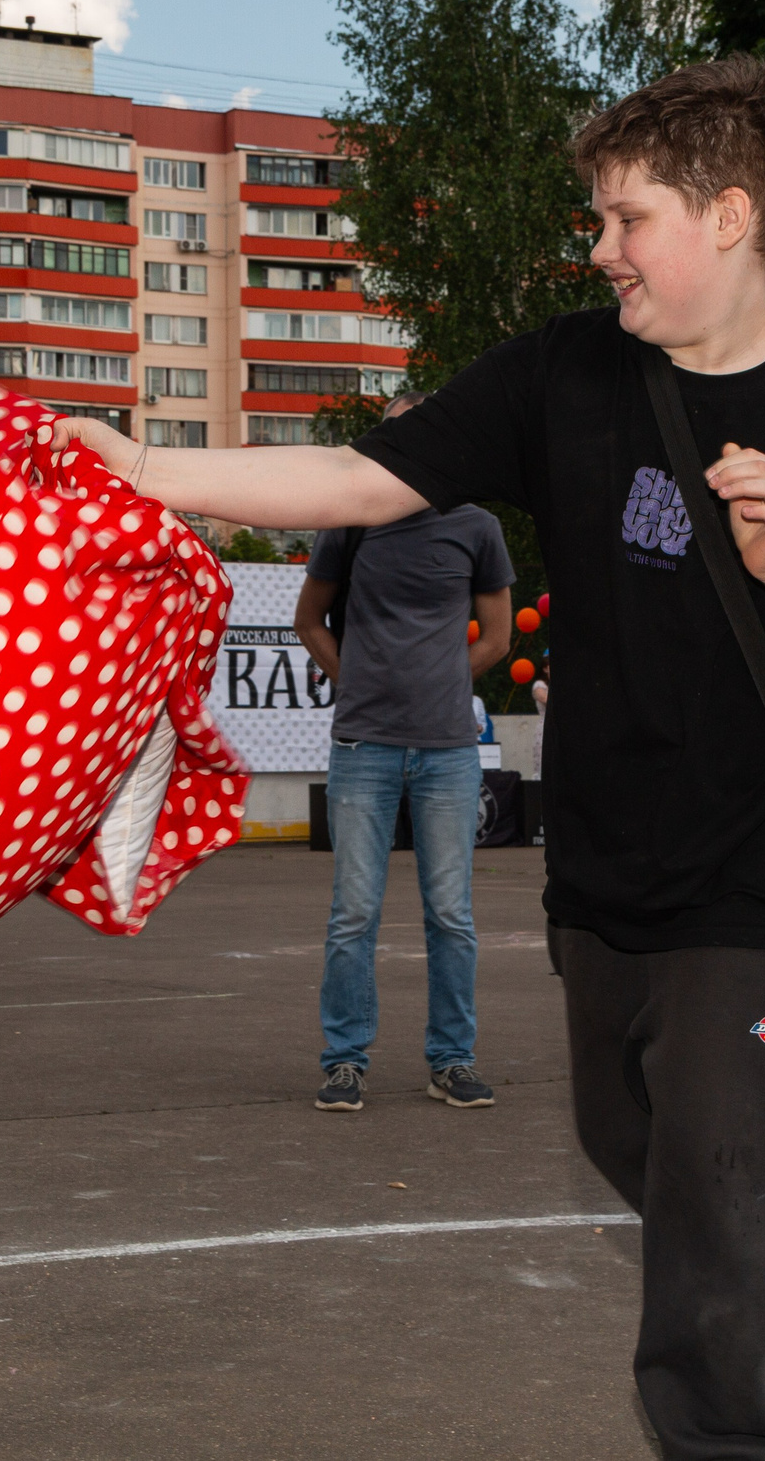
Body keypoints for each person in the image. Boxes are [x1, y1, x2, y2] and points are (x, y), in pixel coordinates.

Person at [50, 56, 765, 1461]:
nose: (602, 249)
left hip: (763, 887)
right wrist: (150, 470)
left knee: (712, 1217)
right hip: (607, 870)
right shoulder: (564, 372)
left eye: (626, 218)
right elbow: (359, 479)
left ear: (728, 215)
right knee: (649, 1149)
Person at [294, 396, 515, 1112]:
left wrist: (448, 682)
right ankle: (344, 1061)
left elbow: (497, 636)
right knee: (352, 913)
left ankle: (451, 1060)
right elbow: (309, 619)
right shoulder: (351, 521)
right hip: (363, 744)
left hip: (448, 750)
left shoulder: (476, 526)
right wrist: (352, 676)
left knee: (450, 913)